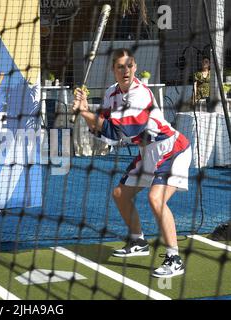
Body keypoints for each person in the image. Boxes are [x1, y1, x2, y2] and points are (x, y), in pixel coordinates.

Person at [73, 48, 192, 278]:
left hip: (171, 149)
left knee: (155, 199)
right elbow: (104, 133)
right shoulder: (111, 93)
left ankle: (174, 258)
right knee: (120, 193)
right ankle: (138, 241)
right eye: (120, 67)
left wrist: (85, 112)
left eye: (129, 66)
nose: (125, 70)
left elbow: (116, 131)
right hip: (147, 151)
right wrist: (87, 112)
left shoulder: (140, 95)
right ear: (113, 70)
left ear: (135, 67)